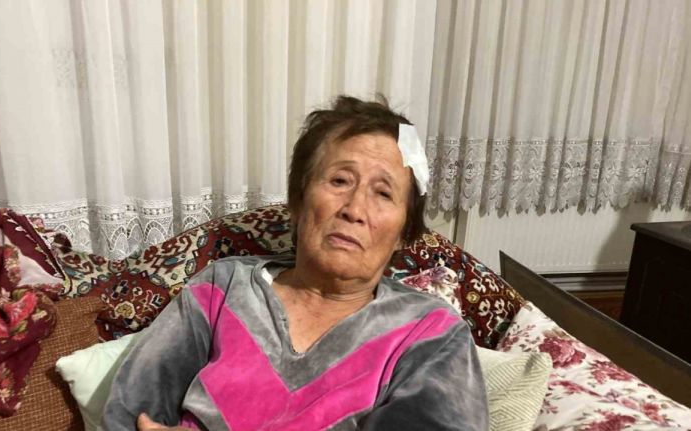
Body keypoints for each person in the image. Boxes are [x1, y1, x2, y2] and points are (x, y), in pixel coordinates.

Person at [101, 95, 489, 431]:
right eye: (339, 181)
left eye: (383, 193)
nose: (355, 209)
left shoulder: (431, 333)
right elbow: (130, 414)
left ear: (404, 231)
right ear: (299, 201)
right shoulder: (222, 287)